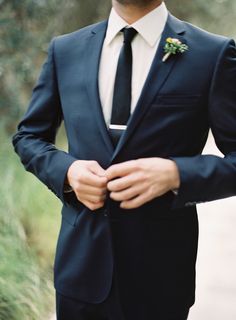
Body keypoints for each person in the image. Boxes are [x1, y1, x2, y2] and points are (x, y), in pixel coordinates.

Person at [13, 0, 236, 319]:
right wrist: (68, 172)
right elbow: (28, 137)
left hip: (160, 277)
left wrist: (177, 174)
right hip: (80, 271)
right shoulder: (66, 50)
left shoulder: (212, 54)